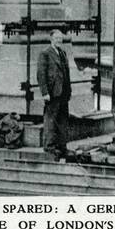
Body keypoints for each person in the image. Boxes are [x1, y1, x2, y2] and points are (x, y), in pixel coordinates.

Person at [37, 28, 72, 159]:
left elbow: (66, 73)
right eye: (57, 38)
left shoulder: (62, 53)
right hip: (52, 93)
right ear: (51, 39)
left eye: (60, 38)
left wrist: (68, 91)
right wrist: (45, 92)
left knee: (63, 120)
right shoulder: (45, 53)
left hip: (63, 93)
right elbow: (41, 75)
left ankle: (62, 147)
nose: (59, 40)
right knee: (50, 120)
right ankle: (49, 147)